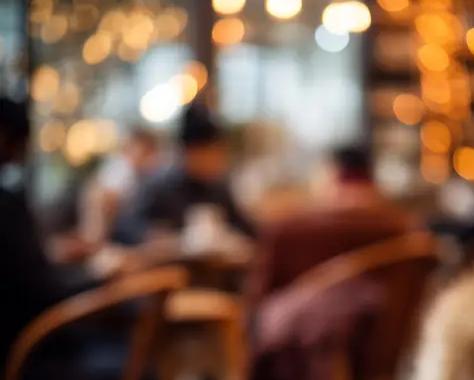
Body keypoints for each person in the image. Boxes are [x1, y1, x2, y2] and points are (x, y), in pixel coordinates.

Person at [0, 97, 154, 380]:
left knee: (118, 346)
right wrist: (100, 276)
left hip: (28, 349)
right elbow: (41, 294)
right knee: (140, 375)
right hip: (20, 371)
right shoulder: (6, 204)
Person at [246, 145, 417, 307]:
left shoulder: (289, 228)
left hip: (296, 329)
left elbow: (260, 297)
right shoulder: (404, 229)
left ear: (332, 172)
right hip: (386, 330)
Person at [114, 106, 255, 245]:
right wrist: (150, 234)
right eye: (208, 154)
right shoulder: (160, 187)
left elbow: (245, 229)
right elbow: (125, 226)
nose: (216, 161)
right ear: (187, 153)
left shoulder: (219, 190)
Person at [80, 127, 161, 250]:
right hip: (105, 234)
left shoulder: (129, 169)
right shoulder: (123, 168)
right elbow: (108, 201)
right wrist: (104, 240)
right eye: (148, 153)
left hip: (109, 232)